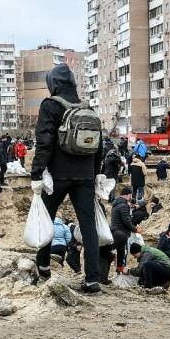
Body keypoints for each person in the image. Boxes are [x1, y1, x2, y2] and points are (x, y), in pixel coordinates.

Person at [30, 63, 104, 292]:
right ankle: (93, 279)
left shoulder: (50, 105)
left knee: (47, 217)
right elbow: (98, 144)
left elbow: (44, 142)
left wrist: (36, 173)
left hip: (58, 175)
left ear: (52, 83)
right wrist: (96, 173)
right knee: (89, 226)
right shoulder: (87, 107)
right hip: (85, 176)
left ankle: (43, 266)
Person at [110, 186, 136, 273]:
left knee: (118, 252)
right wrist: (135, 229)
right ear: (128, 195)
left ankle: (118, 270)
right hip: (121, 233)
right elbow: (126, 221)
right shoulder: (123, 205)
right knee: (122, 253)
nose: (130, 197)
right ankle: (120, 270)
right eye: (130, 195)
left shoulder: (116, 204)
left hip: (114, 232)